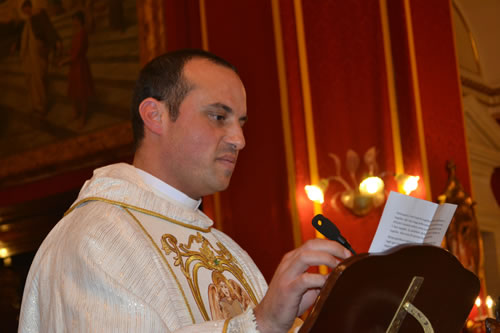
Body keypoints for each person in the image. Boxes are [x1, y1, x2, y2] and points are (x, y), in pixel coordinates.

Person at [18, 49, 350, 332]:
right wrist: (260, 323)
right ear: (154, 116)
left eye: (241, 122)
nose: (239, 139)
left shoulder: (226, 249)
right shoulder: (93, 238)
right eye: (219, 116)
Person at [18, 0, 61, 116]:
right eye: (23, 9)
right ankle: (36, 104)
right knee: (32, 80)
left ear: (29, 7)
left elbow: (48, 29)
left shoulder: (40, 15)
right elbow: (24, 39)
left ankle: (42, 106)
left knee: (40, 79)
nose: (26, 11)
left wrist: (55, 42)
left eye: (26, 8)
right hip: (30, 56)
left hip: (39, 53)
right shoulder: (27, 22)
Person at [59, 10, 94, 127]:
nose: (73, 22)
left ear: (79, 20)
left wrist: (64, 61)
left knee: (82, 93)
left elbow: (77, 53)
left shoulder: (82, 33)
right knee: (74, 92)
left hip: (80, 66)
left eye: (74, 20)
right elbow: (73, 50)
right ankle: (76, 113)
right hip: (74, 66)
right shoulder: (76, 33)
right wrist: (65, 53)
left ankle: (83, 117)